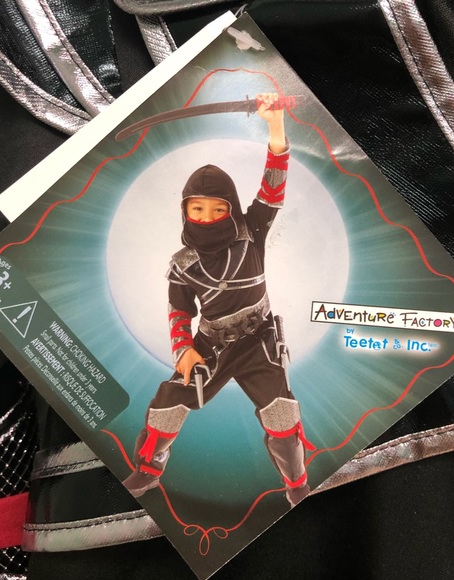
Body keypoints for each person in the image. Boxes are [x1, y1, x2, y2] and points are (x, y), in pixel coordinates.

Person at [122, 92, 314, 506]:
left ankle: (297, 484)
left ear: (231, 208)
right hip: (211, 346)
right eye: (197, 209)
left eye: (216, 209)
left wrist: (275, 125)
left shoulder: (253, 229)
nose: (206, 217)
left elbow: (273, 185)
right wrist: (183, 351)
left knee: (282, 414)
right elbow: (179, 311)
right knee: (167, 404)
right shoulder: (182, 265)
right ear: (185, 211)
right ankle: (148, 471)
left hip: (259, 342)